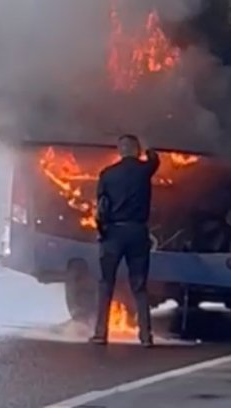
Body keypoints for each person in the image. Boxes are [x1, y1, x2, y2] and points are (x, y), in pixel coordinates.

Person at [89, 134, 160, 347]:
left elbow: (101, 207)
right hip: (138, 232)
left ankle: (101, 334)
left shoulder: (107, 175)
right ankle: (146, 337)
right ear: (136, 150)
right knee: (139, 286)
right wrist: (146, 145)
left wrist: (102, 230)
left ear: (119, 150)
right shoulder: (144, 170)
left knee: (105, 284)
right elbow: (155, 158)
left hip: (113, 234)